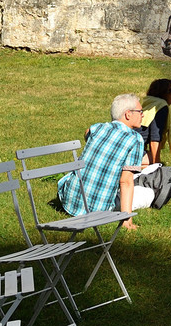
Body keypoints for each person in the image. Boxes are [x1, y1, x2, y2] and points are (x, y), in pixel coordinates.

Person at [59, 92, 146, 230]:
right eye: (140, 111)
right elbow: (126, 181)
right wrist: (127, 220)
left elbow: (87, 132)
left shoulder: (98, 127)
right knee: (147, 194)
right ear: (128, 114)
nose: (143, 115)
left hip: (68, 201)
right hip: (97, 211)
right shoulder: (135, 139)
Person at [139, 78, 171, 165]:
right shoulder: (160, 106)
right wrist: (156, 166)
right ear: (162, 93)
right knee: (151, 161)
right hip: (128, 151)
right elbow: (154, 139)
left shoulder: (148, 103)